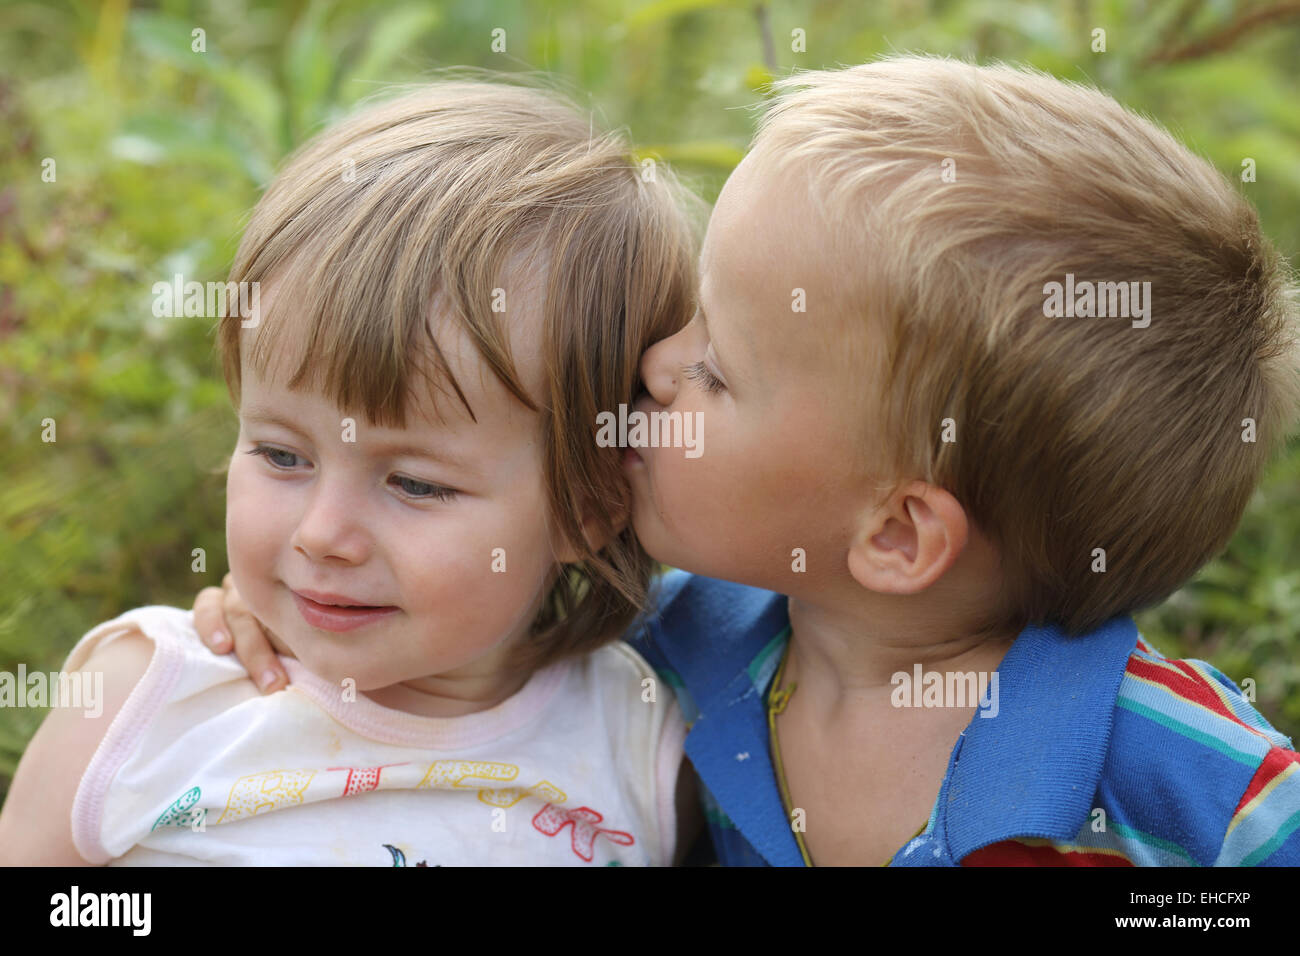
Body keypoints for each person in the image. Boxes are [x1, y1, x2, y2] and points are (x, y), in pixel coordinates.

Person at [194, 55, 1300, 866]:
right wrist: (267, 625)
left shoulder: (1186, 771)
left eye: (716, 369)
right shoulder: (673, 645)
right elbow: (440, 594)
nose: (654, 364)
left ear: (897, 534)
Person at [0, 78, 704, 866]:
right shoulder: (150, 696)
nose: (323, 534)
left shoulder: (639, 740)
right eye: (280, 455)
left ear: (586, 507)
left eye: (416, 484)